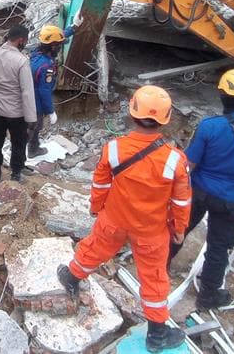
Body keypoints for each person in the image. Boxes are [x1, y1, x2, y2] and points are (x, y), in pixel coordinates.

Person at [57, 85, 192, 352]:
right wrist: (179, 229)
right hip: (151, 230)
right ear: (165, 120)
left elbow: (101, 183)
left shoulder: (114, 149)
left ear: (132, 114)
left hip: (115, 218)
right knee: (153, 277)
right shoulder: (175, 160)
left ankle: (71, 277)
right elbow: (181, 201)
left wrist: (96, 208)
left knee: (95, 248)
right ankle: (156, 334)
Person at [170, 69, 234, 308]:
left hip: (198, 192)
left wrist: (175, 192)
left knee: (177, 231)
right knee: (218, 247)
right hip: (232, 200)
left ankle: (158, 269)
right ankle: (208, 295)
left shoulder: (209, 127)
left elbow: (189, 164)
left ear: (222, 96)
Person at [0, 25, 37, 181]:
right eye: (25, 41)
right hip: (16, 113)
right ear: (21, 40)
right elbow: (27, 92)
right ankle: (16, 174)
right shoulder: (22, 61)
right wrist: (31, 118)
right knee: (18, 143)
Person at [28, 19, 79, 157]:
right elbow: (44, 91)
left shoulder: (36, 52)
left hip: (28, 98)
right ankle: (31, 151)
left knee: (32, 127)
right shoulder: (46, 66)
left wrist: (73, 27)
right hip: (36, 103)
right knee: (35, 127)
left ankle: (30, 147)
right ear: (52, 47)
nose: (60, 47)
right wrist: (50, 111)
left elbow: (58, 37)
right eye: (59, 46)